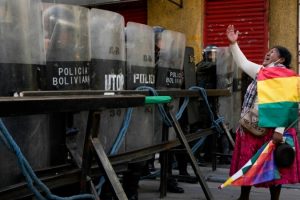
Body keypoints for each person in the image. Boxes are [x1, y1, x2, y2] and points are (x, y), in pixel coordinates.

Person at [226, 24, 300, 200]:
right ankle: (245, 197)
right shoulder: (263, 72)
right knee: (253, 164)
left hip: (272, 130)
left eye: (273, 52)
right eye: (268, 51)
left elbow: (287, 105)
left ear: (281, 60)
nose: (268, 53)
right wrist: (233, 44)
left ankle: (265, 198)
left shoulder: (287, 76)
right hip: (257, 127)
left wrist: (279, 131)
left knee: (272, 164)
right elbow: (243, 63)